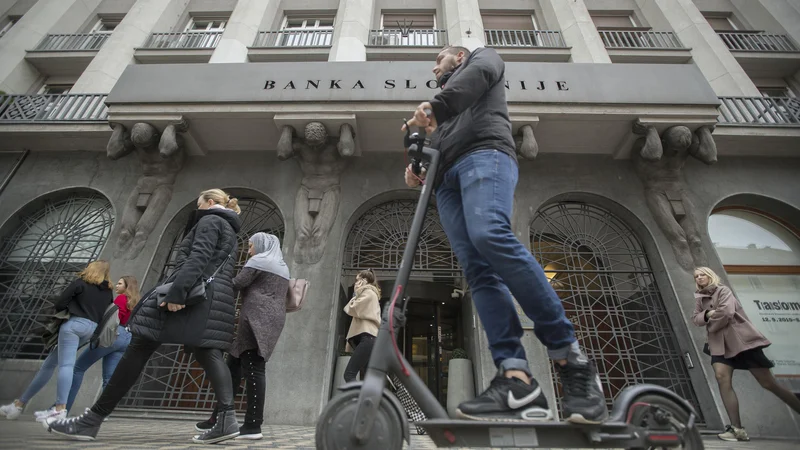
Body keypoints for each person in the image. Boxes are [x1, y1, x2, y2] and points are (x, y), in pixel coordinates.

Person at [401, 45, 607, 423]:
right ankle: (517, 378)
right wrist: (416, 167)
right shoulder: (444, 109)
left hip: (485, 155)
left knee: (489, 234)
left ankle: (570, 358)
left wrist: (433, 107)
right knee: (477, 271)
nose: (433, 67)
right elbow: (436, 143)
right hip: (445, 181)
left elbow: (471, 83)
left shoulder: (482, 60)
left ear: (459, 57)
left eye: (440, 59)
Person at [45, 189, 243, 444]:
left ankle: (91, 421)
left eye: (199, 203)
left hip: (191, 296)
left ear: (211, 203)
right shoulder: (230, 230)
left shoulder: (209, 220)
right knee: (207, 351)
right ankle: (227, 419)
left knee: (140, 346)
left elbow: (198, 258)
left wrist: (177, 294)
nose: (198, 208)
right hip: (211, 299)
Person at [195, 232, 290, 440]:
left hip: (255, 319)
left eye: (250, 246)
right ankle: (217, 418)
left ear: (260, 245)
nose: (249, 250)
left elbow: (237, 283)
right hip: (271, 319)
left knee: (254, 369)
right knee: (233, 369)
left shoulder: (259, 260)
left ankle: (253, 425)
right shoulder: (282, 266)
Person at [692, 266, 800, 442]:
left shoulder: (723, 290)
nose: (699, 278)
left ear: (710, 275)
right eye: (696, 276)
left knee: (768, 383)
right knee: (721, 377)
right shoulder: (699, 298)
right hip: (719, 345)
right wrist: (709, 313)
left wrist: (710, 322)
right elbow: (695, 319)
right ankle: (737, 430)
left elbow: (727, 313)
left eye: (702, 274)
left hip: (741, 342)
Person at [0, 261, 114, 423]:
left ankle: (59, 409)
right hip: (91, 329)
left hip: (73, 325)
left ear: (90, 269)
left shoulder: (80, 283)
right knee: (49, 364)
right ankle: (18, 404)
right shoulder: (107, 291)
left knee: (66, 365)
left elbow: (60, 303)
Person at [46, 276, 139, 416]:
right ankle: (102, 413)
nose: (116, 286)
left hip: (113, 334)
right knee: (109, 378)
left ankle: (60, 409)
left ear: (127, 287)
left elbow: (113, 319)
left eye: (120, 283)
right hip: (126, 337)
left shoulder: (121, 299)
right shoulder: (134, 302)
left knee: (78, 368)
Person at [342, 269, 381, 383]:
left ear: (364, 281)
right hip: (369, 339)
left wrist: (355, 293)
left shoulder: (368, 293)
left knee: (349, 375)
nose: (355, 283)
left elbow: (353, 308)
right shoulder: (367, 294)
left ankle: (360, 400)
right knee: (369, 378)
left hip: (368, 338)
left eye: (357, 280)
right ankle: (369, 400)